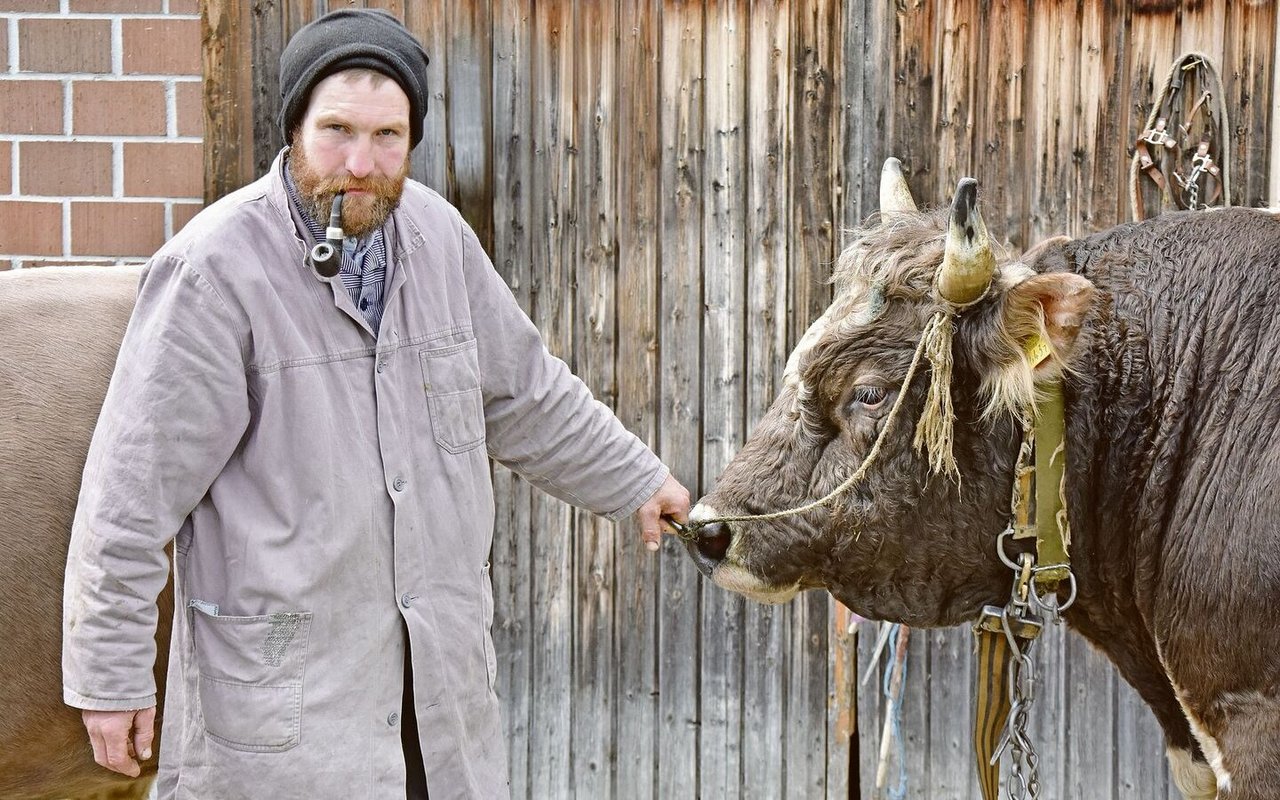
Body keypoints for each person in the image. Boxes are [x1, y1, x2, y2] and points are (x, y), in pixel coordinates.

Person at [61, 9, 689, 799]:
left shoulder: (439, 238)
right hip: (290, 719)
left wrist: (635, 479)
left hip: (433, 699)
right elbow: (129, 494)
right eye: (337, 130)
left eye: (388, 136)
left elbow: (526, 394)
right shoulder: (213, 272)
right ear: (293, 128)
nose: (361, 162)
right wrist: (110, 679)